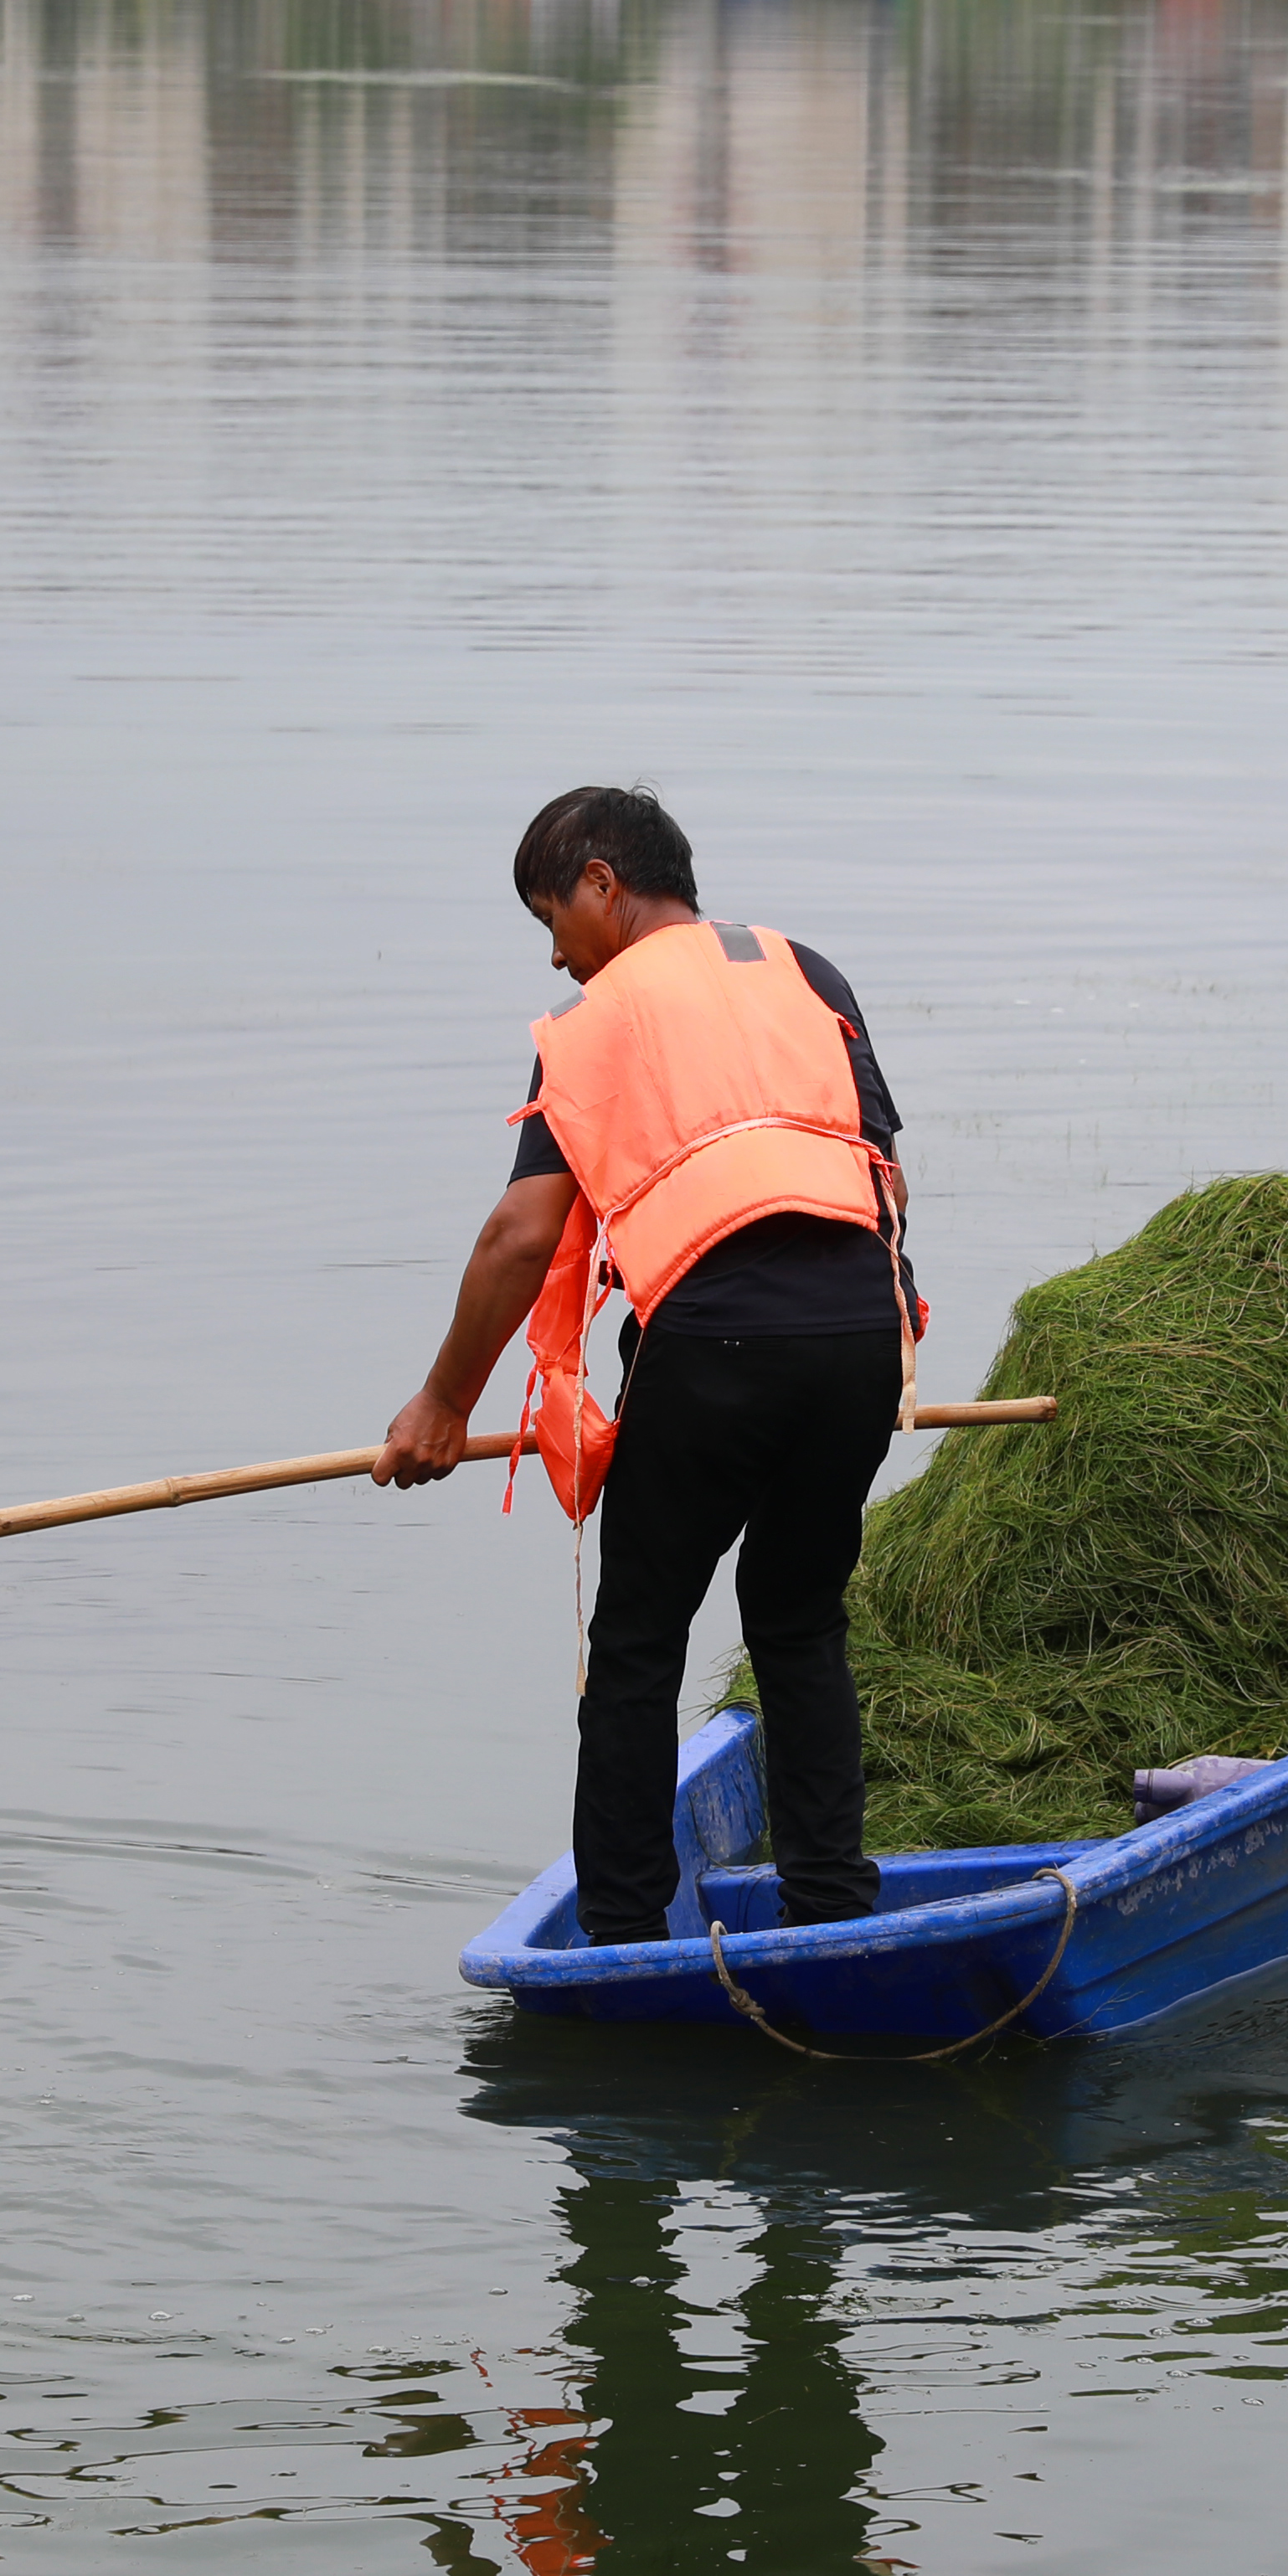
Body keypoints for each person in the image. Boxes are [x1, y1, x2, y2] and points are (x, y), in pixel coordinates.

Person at [377, 786, 912, 1946]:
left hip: (717, 1345)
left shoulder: (599, 1021)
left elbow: (522, 1234)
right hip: (862, 1337)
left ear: (603, 885)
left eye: (551, 917)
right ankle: (832, 1911)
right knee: (799, 1616)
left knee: (637, 1642)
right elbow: (886, 1182)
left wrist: (440, 1405)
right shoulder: (805, 971)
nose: (560, 957)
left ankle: (621, 1941)